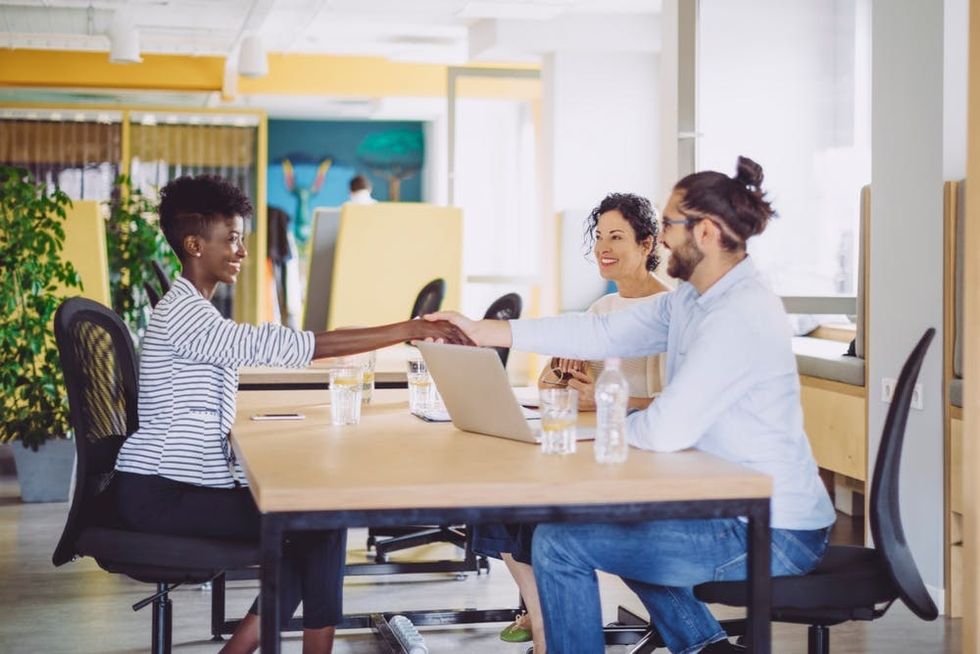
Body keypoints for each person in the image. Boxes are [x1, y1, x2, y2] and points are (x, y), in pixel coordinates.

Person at [428, 156, 837, 654]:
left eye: (669, 225)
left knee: (560, 544)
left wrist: (567, 438)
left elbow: (665, 430)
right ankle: (704, 644)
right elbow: (600, 330)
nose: (662, 238)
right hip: (723, 502)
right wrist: (482, 329)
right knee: (600, 527)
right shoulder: (694, 298)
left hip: (770, 529)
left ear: (705, 232)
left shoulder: (739, 313)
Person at [113, 174, 471, 654]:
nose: (242, 251)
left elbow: (282, 347)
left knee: (318, 521)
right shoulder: (186, 316)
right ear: (196, 244)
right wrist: (406, 328)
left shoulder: (192, 310)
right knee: (316, 522)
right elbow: (294, 346)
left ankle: (244, 650)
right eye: (233, 240)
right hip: (162, 494)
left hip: (177, 485)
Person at [475, 192, 671, 654]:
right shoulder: (601, 312)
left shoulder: (672, 307)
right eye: (599, 236)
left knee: (537, 514)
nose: (604, 246)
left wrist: (603, 399)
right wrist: (558, 383)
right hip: (596, 447)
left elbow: (670, 405)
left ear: (648, 244)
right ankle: (543, 614)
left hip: (643, 455)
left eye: (617, 236)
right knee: (496, 502)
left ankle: (547, 624)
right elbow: (576, 390)